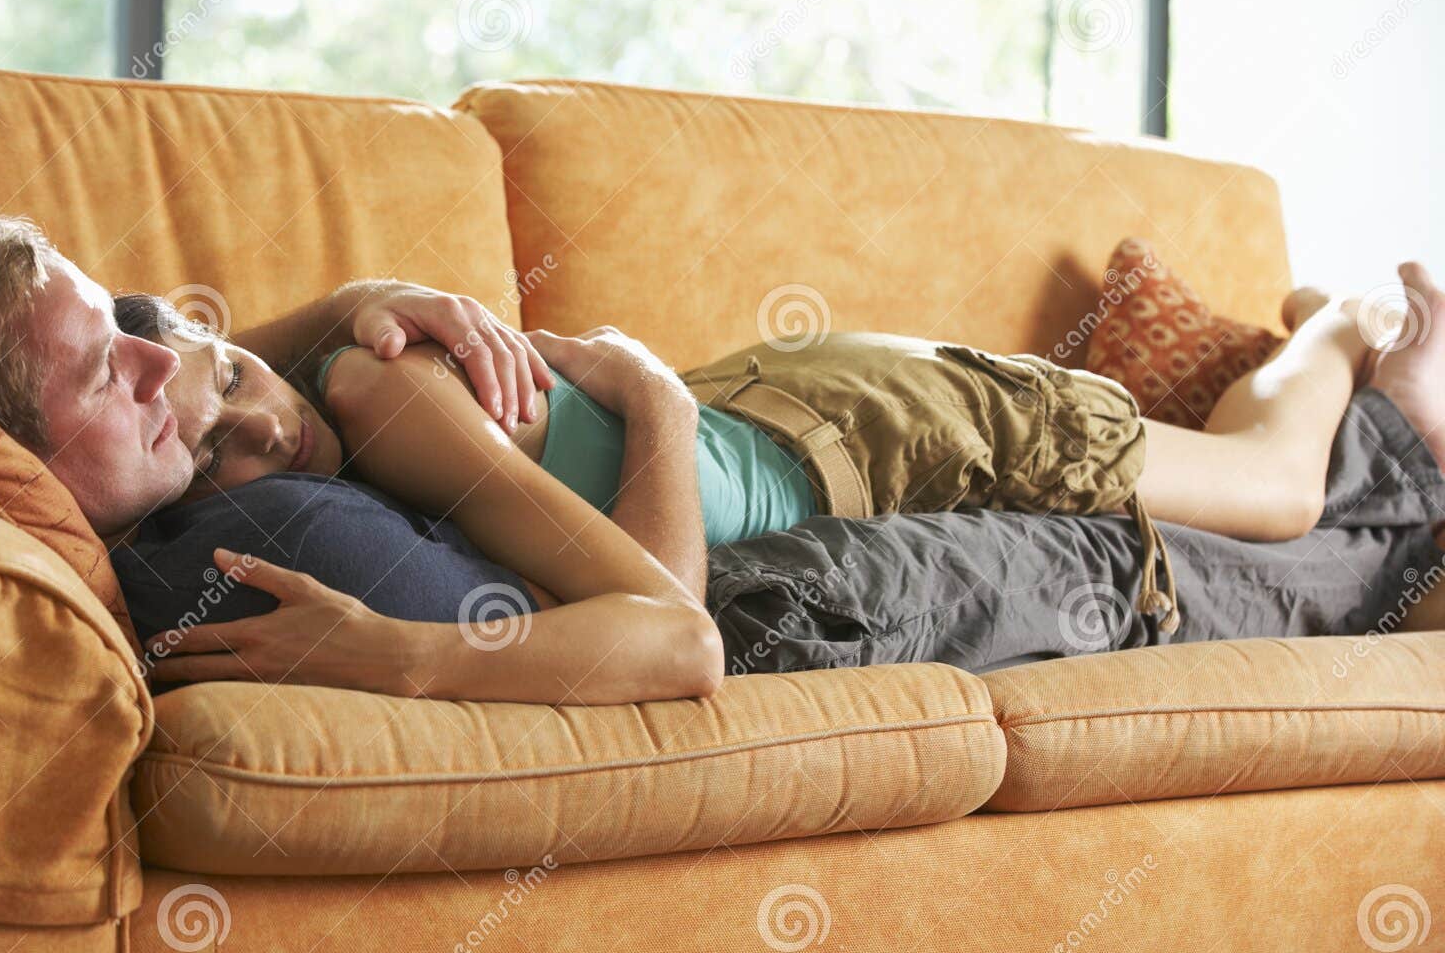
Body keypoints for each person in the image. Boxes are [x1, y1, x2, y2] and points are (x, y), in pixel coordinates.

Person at [110, 258, 1445, 696]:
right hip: (801, 432)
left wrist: (649, 397)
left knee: (1275, 490)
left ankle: (1355, 335)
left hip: (879, 426)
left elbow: (669, 613)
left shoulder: (370, 387)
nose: (257, 438)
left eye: (234, 379)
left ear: (230, 336)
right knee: (1230, 506)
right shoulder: (323, 401)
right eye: (214, 449)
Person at [0, 213, 725, 703]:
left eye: (125, 328)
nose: (153, 364)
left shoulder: (361, 393)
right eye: (102, 376)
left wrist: (659, 395)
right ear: (17, 461)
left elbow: (683, 631)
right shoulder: (197, 490)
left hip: (807, 410)